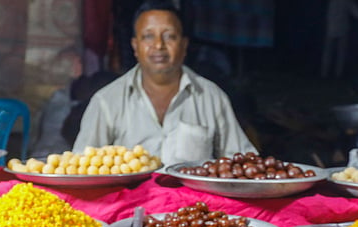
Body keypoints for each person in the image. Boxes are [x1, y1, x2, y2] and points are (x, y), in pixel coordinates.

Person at [73, 0, 255, 164]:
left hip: (194, 201)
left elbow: (241, 162)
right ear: (135, 46)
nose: (159, 45)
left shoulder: (211, 97)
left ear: (184, 45)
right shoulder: (107, 101)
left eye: (169, 36)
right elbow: (82, 167)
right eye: (148, 36)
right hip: (131, 201)